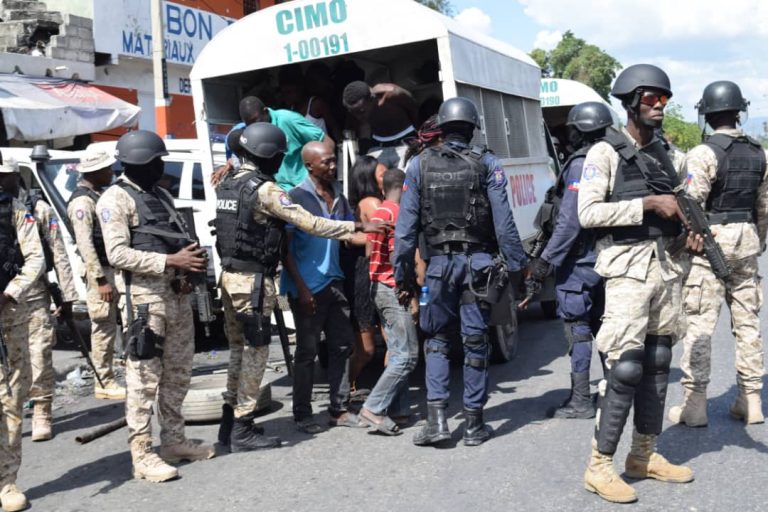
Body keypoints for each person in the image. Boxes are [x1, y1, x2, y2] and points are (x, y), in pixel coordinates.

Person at [215, 124, 385, 450]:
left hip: (234, 279)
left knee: (241, 355)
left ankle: (230, 426)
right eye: (279, 155)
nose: (281, 161)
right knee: (255, 357)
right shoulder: (268, 190)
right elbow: (310, 224)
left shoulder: (230, 181)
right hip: (255, 284)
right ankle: (243, 429)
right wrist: (360, 224)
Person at [577, 64, 700, 503]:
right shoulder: (604, 153)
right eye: (651, 98)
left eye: (665, 99)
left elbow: (683, 202)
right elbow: (587, 214)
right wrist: (648, 203)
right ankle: (599, 466)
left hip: (666, 268)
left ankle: (643, 455)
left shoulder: (667, 153)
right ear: (630, 101)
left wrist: (691, 230)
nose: (660, 106)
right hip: (627, 269)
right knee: (625, 368)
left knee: (659, 360)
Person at [394, 97, 528, 447]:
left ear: (441, 127)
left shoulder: (418, 166)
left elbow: (405, 231)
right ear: (472, 128)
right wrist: (518, 271)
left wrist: (403, 275)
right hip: (478, 266)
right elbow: (505, 223)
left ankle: (437, 421)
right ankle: (473, 424)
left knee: (436, 342)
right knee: (475, 342)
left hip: (438, 267)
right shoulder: (488, 163)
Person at [97, 130, 215, 483]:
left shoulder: (159, 194)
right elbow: (117, 254)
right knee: (143, 381)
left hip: (176, 297)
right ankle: (142, 455)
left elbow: (173, 236)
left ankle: (174, 441)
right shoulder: (114, 200)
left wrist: (187, 264)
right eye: (156, 161)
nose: (161, 166)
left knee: (178, 374)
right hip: (145, 304)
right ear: (137, 164)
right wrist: (170, 261)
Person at [668, 81, 768, 427]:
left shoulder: (703, 153)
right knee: (747, 323)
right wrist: (760, 240)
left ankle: (695, 405)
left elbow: (690, 202)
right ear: (739, 111)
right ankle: (750, 399)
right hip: (747, 244)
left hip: (710, 247)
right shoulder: (760, 153)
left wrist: (687, 241)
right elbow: (763, 206)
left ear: (707, 114)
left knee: (699, 324)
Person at [524, 102, 613, 419]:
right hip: (609, 257)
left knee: (578, 329)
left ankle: (580, 400)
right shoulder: (614, 158)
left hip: (581, 259)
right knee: (607, 327)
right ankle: (614, 394)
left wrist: (545, 261)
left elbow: (570, 221)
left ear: (579, 130)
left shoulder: (581, 164)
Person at [281, 141, 368, 433]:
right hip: (307, 287)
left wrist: (381, 239)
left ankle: (338, 409)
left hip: (335, 281)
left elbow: (348, 236)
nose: (333, 167)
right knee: (306, 353)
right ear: (309, 166)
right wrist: (302, 290)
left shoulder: (339, 196)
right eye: (327, 162)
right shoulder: (294, 198)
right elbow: (287, 250)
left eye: (334, 161)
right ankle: (303, 414)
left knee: (342, 346)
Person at [359, 168, 419, 435]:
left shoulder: (380, 212)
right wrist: (409, 288)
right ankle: (373, 407)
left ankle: (400, 410)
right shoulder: (397, 214)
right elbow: (399, 257)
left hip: (378, 286)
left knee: (396, 351)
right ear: (405, 189)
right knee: (408, 356)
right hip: (393, 287)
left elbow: (371, 249)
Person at [0, 156, 45, 512]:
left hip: (9, 316)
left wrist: (9, 291)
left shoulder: (15, 211)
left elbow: (35, 259)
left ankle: (6, 480)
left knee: (12, 398)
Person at [22, 172, 78, 442]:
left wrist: (67, 296)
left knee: (39, 355)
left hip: (34, 296)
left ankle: (42, 411)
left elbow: (58, 252)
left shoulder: (38, 209)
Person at [67, 149, 126, 401]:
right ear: (94, 172)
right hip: (100, 273)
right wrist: (100, 280)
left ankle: (115, 371)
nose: (111, 173)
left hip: (112, 269)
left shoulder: (98, 195)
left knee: (116, 324)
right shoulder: (82, 202)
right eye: (106, 169)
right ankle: (104, 380)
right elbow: (85, 244)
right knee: (103, 326)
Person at [219, 96, 332, 191]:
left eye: (256, 120)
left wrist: (323, 178)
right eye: (250, 124)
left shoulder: (288, 119)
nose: (255, 126)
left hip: (307, 189)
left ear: (265, 111)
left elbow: (326, 141)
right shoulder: (252, 131)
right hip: (280, 190)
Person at [346, 155, 386, 393]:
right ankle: (344, 391)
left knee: (390, 345)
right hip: (369, 278)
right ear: (368, 178)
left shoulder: (365, 202)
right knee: (366, 350)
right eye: (382, 174)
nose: (387, 177)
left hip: (371, 275)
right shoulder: (372, 202)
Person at [342, 81, 417, 169]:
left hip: (406, 138)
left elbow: (414, 108)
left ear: (372, 99)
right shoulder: (355, 107)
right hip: (378, 143)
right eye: (354, 113)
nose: (358, 117)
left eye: (361, 112)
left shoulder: (391, 93)